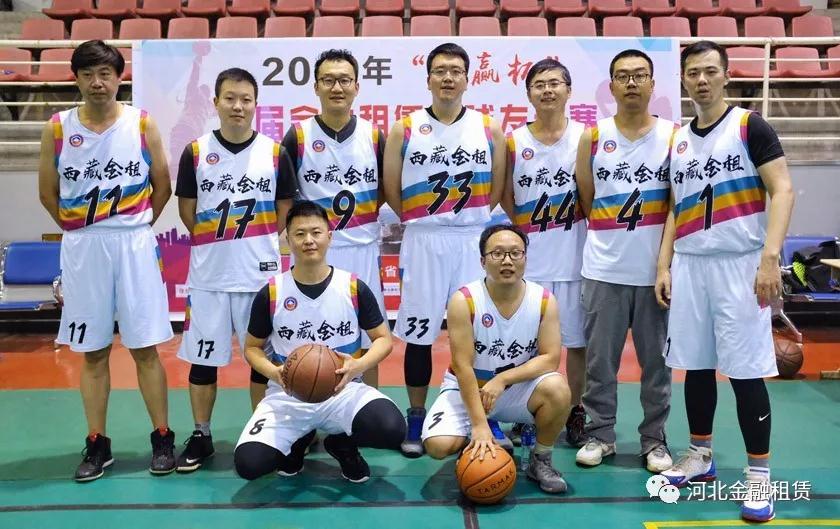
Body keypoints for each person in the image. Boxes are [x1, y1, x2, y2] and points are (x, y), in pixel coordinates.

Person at [657, 41, 794, 523]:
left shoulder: (749, 126)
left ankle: (759, 476)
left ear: (726, 75)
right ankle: (700, 454)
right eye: (693, 72)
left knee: (745, 371)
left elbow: (782, 189)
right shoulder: (677, 139)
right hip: (691, 264)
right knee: (695, 366)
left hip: (740, 264)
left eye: (710, 71)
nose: (702, 80)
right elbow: (675, 207)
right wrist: (664, 265)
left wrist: (770, 258)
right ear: (684, 79)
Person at [37, 40, 175, 481]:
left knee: (145, 348)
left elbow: (162, 184)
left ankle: (163, 437)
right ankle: (97, 443)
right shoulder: (58, 128)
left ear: (119, 78)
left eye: (106, 74)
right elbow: (47, 193)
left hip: (133, 244)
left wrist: (136, 226)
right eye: (88, 74)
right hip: (84, 247)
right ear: (75, 79)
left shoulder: (142, 123)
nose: (97, 82)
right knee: (92, 352)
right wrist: (81, 229)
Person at [383, 42, 507, 457]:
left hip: (472, 239)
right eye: (440, 70)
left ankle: (484, 411)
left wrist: (469, 219)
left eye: (456, 70)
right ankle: (417, 414)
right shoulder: (405, 128)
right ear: (429, 79)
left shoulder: (488, 129)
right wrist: (423, 218)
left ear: (467, 79)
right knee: (419, 333)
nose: (448, 77)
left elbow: (496, 190)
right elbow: (392, 189)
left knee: (479, 331)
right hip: (424, 239)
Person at [173, 67, 297, 472]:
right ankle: (202, 434)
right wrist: (218, 242)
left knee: (265, 361)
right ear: (216, 103)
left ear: (256, 104)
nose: (238, 106)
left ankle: (267, 433)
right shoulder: (195, 152)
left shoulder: (275, 153)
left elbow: (284, 210)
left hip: (259, 276)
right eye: (230, 98)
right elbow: (188, 211)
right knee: (203, 360)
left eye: (246, 99)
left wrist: (254, 241)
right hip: (209, 276)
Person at [233, 201, 405, 483]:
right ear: (288, 240)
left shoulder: (353, 287)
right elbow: (252, 347)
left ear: (329, 236)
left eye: (316, 232)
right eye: (299, 234)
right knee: (249, 464)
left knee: (392, 430)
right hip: (288, 395)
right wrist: (275, 372)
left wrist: (358, 366)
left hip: (343, 390)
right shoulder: (272, 292)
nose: (308, 240)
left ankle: (342, 444)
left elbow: (383, 340)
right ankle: (297, 442)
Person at [573, 49, 674, 473]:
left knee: (657, 365)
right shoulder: (593, 137)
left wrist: (663, 266)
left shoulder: (673, 136)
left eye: (639, 75)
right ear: (611, 86)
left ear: (652, 83)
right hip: (603, 269)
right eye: (623, 76)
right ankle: (600, 434)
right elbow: (587, 197)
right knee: (600, 364)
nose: (631, 83)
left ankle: (654, 440)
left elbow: (676, 205)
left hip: (654, 275)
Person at [422, 224, 571, 494]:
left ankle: (540, 459)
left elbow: (550, 359)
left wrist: (502, 379)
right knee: (437, 446)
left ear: (525, 258)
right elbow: (462, 366)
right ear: (482, 261)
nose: (507, 261)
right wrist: (478, 424)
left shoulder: (543, 300)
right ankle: (479, 438)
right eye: (498, 253)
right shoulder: (464, 300)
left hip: (515, 390)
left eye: (515, 253)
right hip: (468, 388)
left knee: (558, 389)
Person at [282, 49, 386, 387]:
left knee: (367, 340)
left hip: (362, 250)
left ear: (357, 86)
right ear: (316, 87)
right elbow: (286, 197)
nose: (337, 87)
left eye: (344, 80)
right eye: (328, 80)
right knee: (308, 338)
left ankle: (366, 405)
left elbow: (385, 189)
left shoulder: (373, 135)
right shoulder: (298, 136)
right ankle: (305, 403)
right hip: (314, 252)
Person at [501, 58, 588, 447]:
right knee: (527, 345)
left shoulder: (586, 137)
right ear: (529, 94)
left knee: (577, 343)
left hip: (574, 258)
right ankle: (528, 410)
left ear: (569, 90)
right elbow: (504, 193)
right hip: (532, 264)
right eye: (539, 84)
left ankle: (576, 409)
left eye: (555, 83)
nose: (548, 90)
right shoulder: (514, 141)